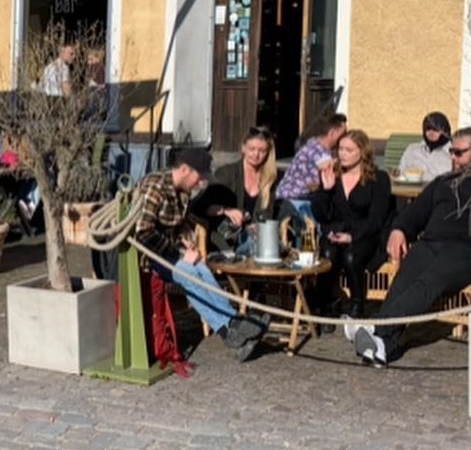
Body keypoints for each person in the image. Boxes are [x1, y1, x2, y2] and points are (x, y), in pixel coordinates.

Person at [347, 126, 471, 367]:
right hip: (431, 244)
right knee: (406, 276)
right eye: (452, 152)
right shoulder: (444, 182)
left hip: (468, 250)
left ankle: (376, 327)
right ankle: (383, 346)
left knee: (431, 281)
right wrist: (399, 229)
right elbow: (415, 212)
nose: (452, 158)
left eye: (459, 152)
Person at [133, 147, 268, 362]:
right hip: (148, 256)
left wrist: (187, 241)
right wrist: (178, 252)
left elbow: (181, 223)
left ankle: (233, 329)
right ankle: (230, 328)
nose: (201, 182)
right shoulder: (155, 187)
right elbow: (143, 233)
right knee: (189, 273)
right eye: (199, 176)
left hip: (171, 251)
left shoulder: (184, 191)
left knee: (202, 268)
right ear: (185, 169)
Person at [311, 129, 393, 318]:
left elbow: (377, 220)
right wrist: (325, 190)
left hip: (365, 233)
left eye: (349, 150)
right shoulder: (333, 175)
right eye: (340, 149)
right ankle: (325, 304)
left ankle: (357, 305)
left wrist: (352, 235)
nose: (343, 154)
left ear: (362, 152)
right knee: (328, 254)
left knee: (350, 256)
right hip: (335, 231)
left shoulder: (378, 178)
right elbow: (322, 215)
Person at [193, 126, 278, 255]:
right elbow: (199, 207)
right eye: (252, 149)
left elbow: (277, 214)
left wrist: (261, 227)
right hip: (227, 241)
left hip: (259, 240)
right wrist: (226, 211)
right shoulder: (226, 173)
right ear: (243, 148)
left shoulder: (272, 179)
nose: (256, 155)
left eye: (262, 151)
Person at [277, 112, 348, 221]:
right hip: (294, 201)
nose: (344, 138)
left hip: (299, 200)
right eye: (343, 134)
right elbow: (330, 169)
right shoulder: (317, 150)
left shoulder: (315, 144)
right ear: (332, 132)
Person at [395, 112, 453, 182]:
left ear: (445, 131)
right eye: (428, 128)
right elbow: (400, 174)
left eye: (436, 129)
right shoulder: (412, 149)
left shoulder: (454, 153)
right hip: (410, 190)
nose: (431, 132)